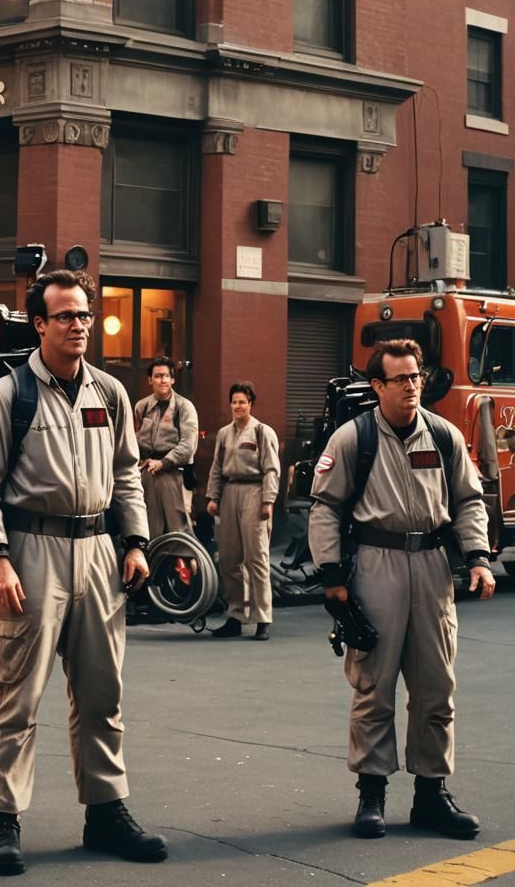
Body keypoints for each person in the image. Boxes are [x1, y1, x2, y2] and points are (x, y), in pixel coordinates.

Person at [0, 269, 168, 876]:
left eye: (84, 315)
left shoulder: (110, 393)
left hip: (98, 553)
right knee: (17, 697)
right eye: (66, 316)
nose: (78, 325)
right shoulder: (8, 395)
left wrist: (134, 542)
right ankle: (4, 821)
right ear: (39, 323)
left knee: (103, 695)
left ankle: (106, 812)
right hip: (30, 553)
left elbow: (127, 472)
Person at [308, 339, 495, 839]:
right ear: (378, 386)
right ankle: (371, 797)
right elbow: (324, 507)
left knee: (436, 688)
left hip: (433, 567)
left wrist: (477, 558)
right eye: (400, 379)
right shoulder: (354, 438)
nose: (412, 386)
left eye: (416, 377)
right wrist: (333, 580)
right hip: (376, 564)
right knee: (374, 687)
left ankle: (431, 796)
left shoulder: (444, 435)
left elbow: (468, 500)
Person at [205, 382, 280, 641]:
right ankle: (236, 615)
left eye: (242, 402)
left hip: (254, 491)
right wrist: (213, 497)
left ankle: (262, 618)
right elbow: (217, 467)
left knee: (256, 557)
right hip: (230, 492)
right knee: (228, 557)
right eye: (234, 402)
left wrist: (268, 501)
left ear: (251, 404)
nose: (238, 406)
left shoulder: (262, 432)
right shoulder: (225, 433)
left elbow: (272, 469)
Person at [134, 356, 198, 538]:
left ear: (173, 379)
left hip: (174, 474)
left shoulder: (184, 407)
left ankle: (190, 564)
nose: (162, 380)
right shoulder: (142, 407)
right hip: (147, 473)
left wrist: (163, 463)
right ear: (150, 380)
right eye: (157, 376)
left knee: (179, 530)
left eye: (166, 376)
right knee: (148, 529)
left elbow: (188, 446)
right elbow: (133, 439)